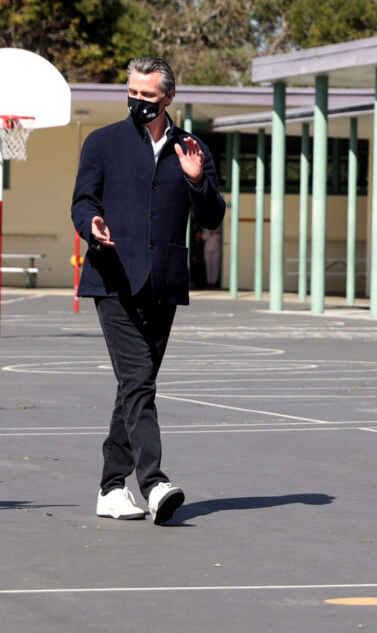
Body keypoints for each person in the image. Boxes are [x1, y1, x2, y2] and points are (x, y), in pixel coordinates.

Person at [70, 56, 225, 525]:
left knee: (134, 386)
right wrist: (90, 224)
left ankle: (110, 487)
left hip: (165, 283)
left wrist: (197, 182)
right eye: (132, 93)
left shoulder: (192, 149)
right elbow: (82, 201)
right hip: (112, 278)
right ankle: (154, 483)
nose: (138, 102)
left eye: (147, 96)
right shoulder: (102, 143)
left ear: (169, 99)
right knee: (138, 381)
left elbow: (213, 217)